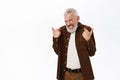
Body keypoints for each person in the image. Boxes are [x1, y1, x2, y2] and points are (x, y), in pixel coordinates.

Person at [52, 8, 96, 80]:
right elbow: (57, 52)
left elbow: (92, 53)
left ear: (77, 18)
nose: (68, 24)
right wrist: (55, 38)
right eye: (66, 21)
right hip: (65, 74)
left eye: (70, 20)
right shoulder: (61, 31)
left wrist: (88, 40)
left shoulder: (86, 30)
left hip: (82, 75)